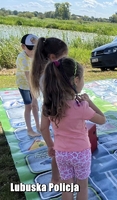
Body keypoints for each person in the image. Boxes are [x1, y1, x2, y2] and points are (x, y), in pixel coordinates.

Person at [40, 58, 106, 199]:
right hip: (81, 153)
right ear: (76, 80)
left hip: (61, 153)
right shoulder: (81, 107)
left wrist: (51, 146)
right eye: (83, 78)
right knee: (82, 187)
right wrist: (89, 102)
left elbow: (43, 128)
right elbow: (102, 119)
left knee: (67, 187)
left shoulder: (48, 105)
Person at [31, 37, 68, 184]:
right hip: (59, 116)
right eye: (64, 58)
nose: (65, 61)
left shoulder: (45, 74)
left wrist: (50, 144)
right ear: (53, 57)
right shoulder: (51, 77)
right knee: (59, 151)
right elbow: (43, 126)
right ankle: (57, 178)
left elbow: (43, 127)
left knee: (58, 150)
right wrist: (50, 145)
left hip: (54, 114)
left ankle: (55, 178)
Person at [16, 34, 41, 137]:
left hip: (33, 84)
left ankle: (38, 126)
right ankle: (29, 129)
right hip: (24, 85)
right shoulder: (22, 58)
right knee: (29, 106)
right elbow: (28, 78)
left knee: (35, 106)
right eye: (30, 48)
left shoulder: (36, 56)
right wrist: (34, 97)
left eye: (35, 48)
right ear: (23, 47)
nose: (32, 51)